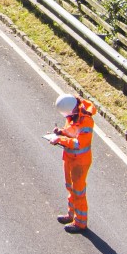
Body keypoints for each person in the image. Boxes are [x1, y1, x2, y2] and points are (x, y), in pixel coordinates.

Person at [47, 93, 97, 233]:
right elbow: (72, 131)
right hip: (70, 157)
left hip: (80, 162)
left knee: (78, 192)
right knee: (70, 187)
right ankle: (71, 214)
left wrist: (60, 140)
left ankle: (80, 223)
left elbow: (79, 143)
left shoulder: (86, 121)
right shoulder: (73, 115)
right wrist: (61, 132)